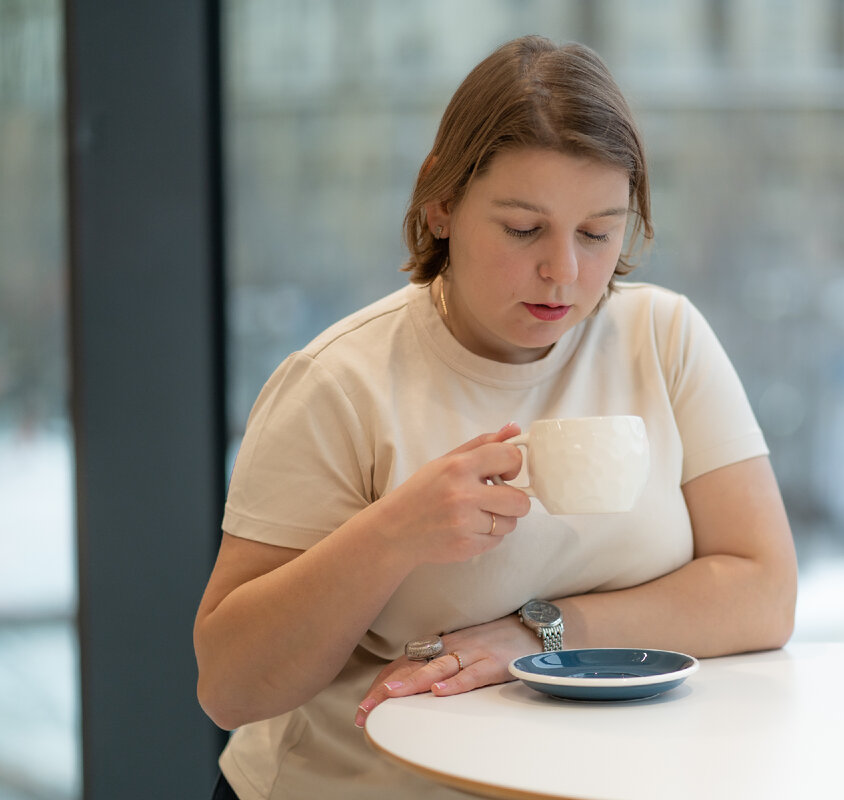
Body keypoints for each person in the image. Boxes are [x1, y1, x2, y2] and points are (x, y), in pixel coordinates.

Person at [194, 34, 797, 800]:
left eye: (597, 232)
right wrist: (391, 534)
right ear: (440, 203)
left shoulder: (664, 339)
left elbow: (763, 592)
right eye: (522, 229)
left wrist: (541, 635)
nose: (564, 273)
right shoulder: (339, 381)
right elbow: (230, 686)